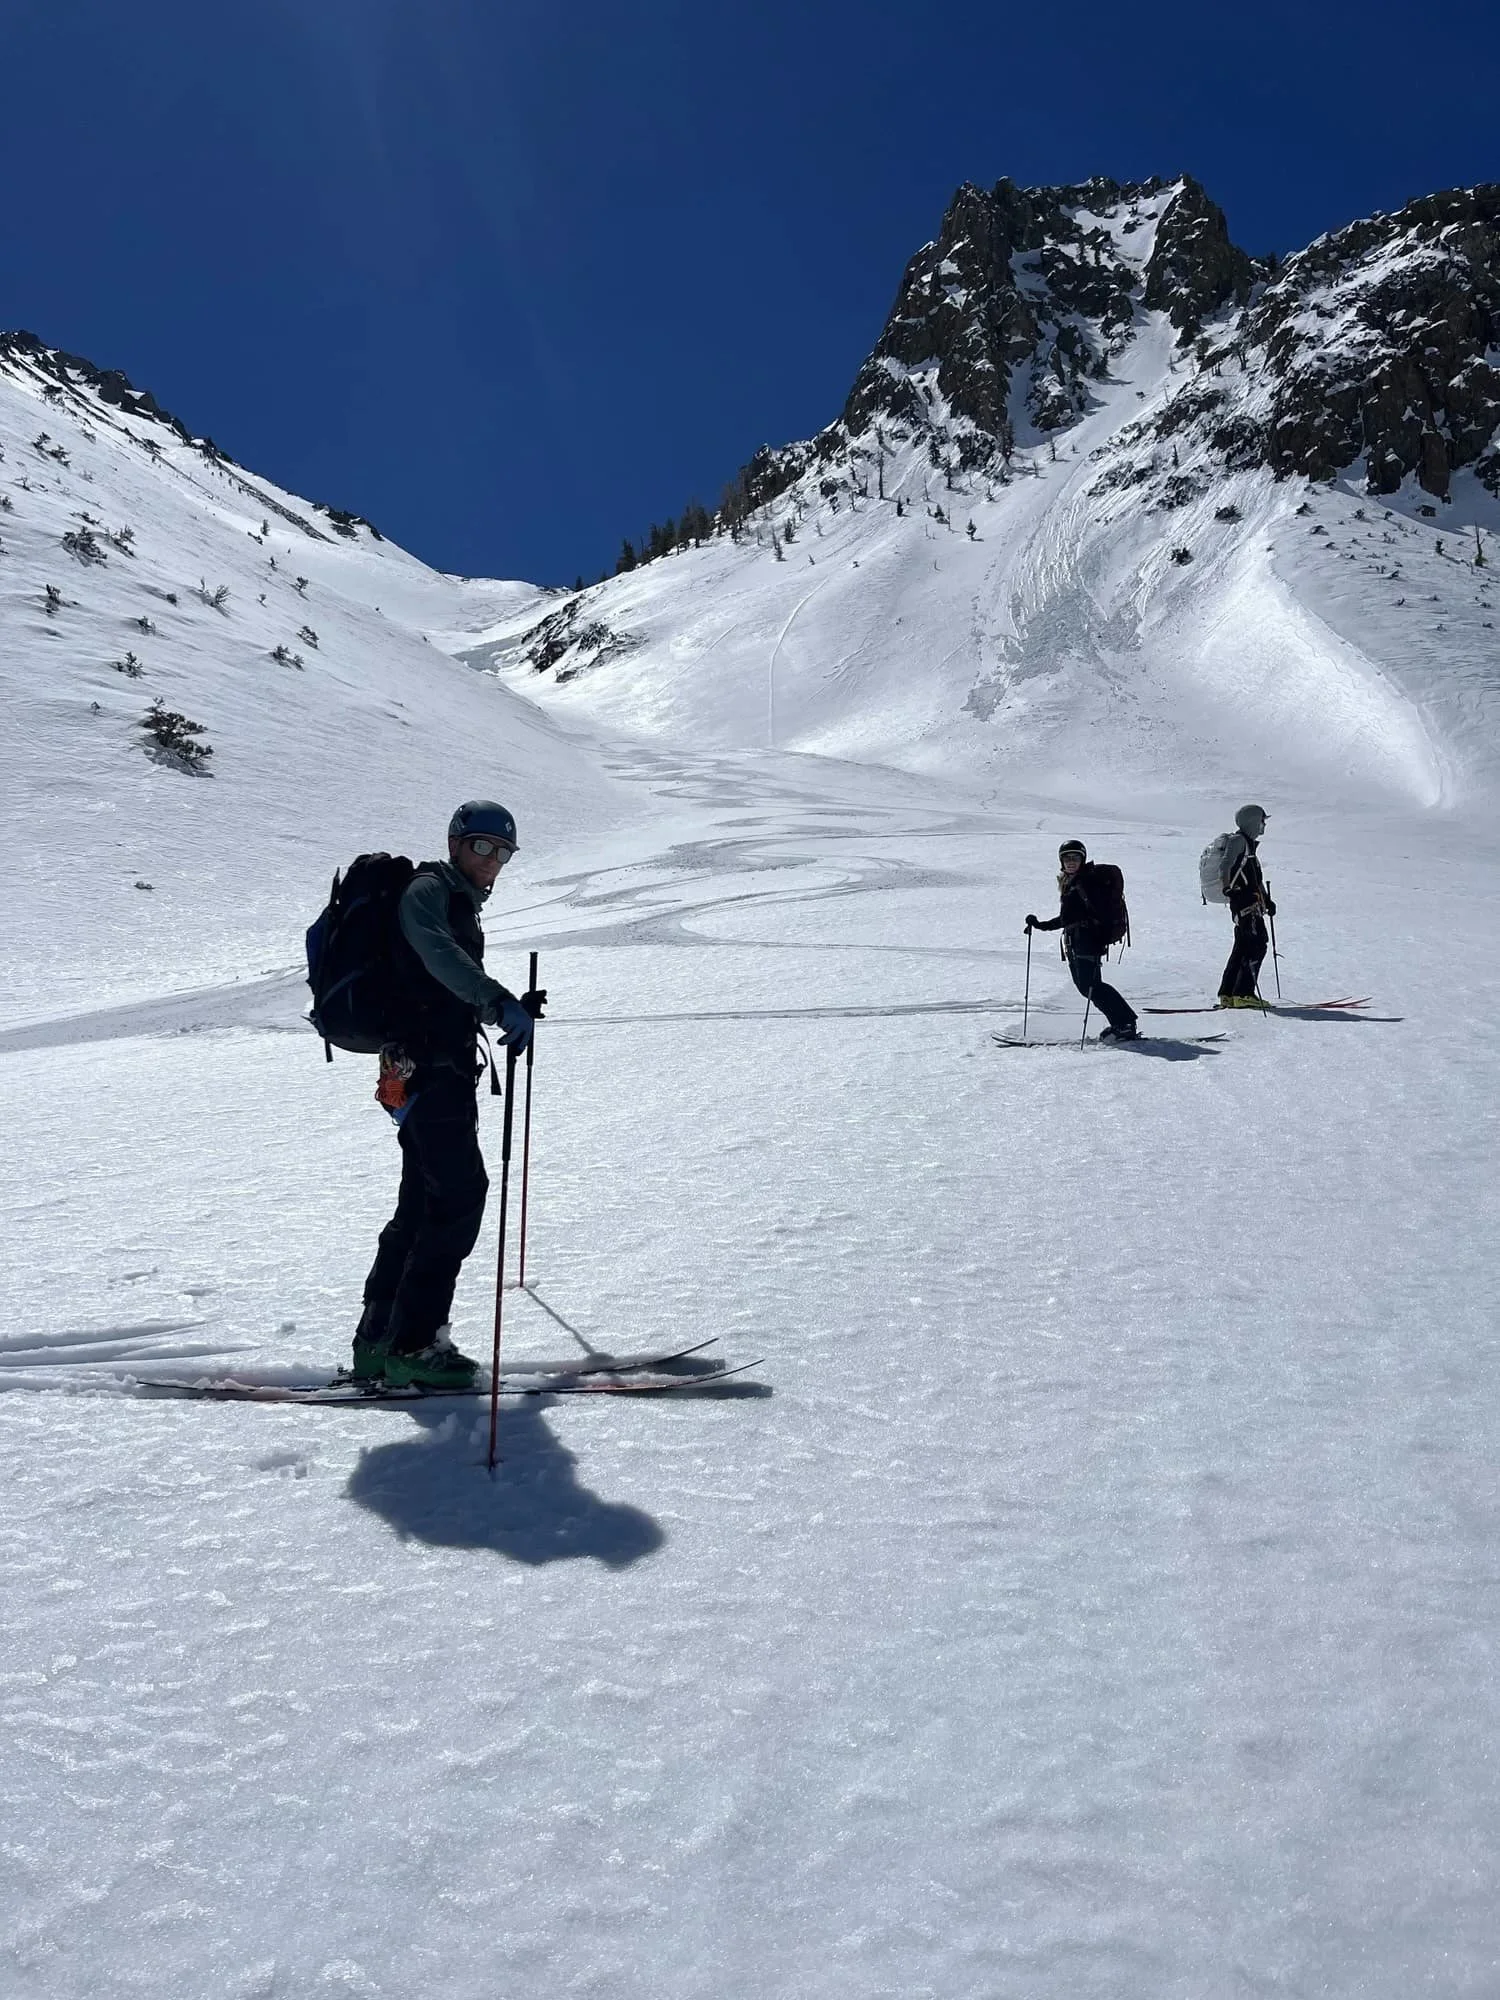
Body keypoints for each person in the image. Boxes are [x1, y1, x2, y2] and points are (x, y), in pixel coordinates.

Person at [351, 801, 539, 1390]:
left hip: (429, 1069)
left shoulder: (454, 899)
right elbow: (438, 954)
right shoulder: (428, 890)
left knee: (421, 1203)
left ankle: (379, 1342)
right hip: (428, 1072)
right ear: (456, 843)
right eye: (481, 846)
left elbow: (437, 978)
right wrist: (494, 998)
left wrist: (503, 1005)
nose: (492, 860)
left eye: (502, 851)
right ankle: (413, 1345)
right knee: (459, 1194)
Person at [1026, 840, 1139, 1042]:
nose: (1070, 862)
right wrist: (1041, 925)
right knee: (1088, 986)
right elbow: (1069, 917)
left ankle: (1125, 1023)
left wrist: (1043, 925)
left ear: (1082, 859)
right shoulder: (1074, 881)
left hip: (1087, 940)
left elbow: (1074, 917)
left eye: (1075, 858)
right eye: (1067, 858)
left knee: (1090, 986)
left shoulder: (1085, 882)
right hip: (1079, 941)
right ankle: (1122, 1023)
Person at [1217, 803, 1275, 1007]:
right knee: (1257, 944)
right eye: (1261, 821)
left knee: (1242, 946)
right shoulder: (1238, 841)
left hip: (1249, 902)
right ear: (1251, 821)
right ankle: (1243, 993)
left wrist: (1267, 901)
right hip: (1244, 902)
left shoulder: (1247, 844)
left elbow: (1254, 878)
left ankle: (1229, 994)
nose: (1263, 826)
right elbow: (1225, 865)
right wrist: (1227, 888)